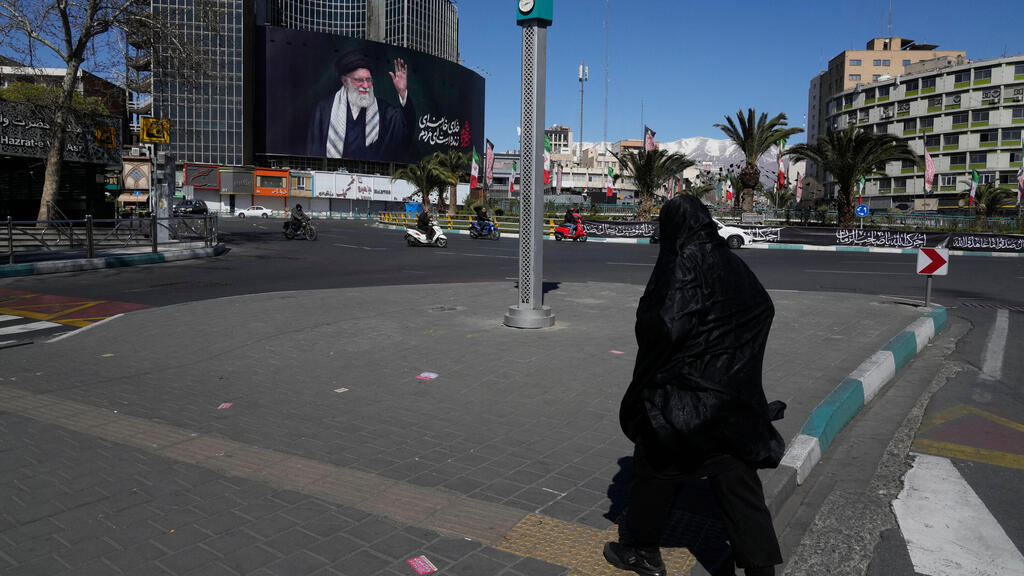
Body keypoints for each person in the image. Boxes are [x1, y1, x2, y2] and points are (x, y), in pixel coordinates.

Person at [604, 195, 785, 576]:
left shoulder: (684, 262)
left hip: (684, 399)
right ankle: (761, 569)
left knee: (654, 466)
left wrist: (687, 359)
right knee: (738, 483)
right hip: (733, 400)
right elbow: (761, 309)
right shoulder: (730, 262)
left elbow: (665, 326)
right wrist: (733, 358)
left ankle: (641, 551)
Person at [307, 51, 416, 162]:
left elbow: (405, 126)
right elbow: (314, 151)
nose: (365, 86)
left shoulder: (383, 110)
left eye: (368, 80)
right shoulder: (324, 110)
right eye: (359, 80)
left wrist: (402, 92)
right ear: (345, 81)